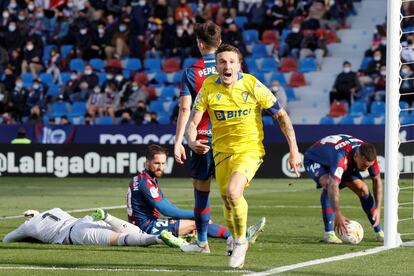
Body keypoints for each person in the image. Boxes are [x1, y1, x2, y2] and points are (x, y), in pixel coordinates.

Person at [186, 44, 302, 268]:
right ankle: (233, 236)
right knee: (228, 202)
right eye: (222, 62)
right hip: (220, 152)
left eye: (231, 62)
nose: (227, 66)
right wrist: (191, 141)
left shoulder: (252, 84)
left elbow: (282, 116)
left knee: (233, 191)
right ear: (217, 66)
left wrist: (294, 150)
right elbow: (193, 121)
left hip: (249, 150)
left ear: (239, 65)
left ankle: (241, 242)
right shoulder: (209, 87)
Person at [127, 144, 265, 256]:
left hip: (150, 222)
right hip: (145, 227)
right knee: (196, 223)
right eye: (157, 163)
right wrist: (196, 215)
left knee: (197, 222)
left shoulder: (145, 178)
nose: (161, 167)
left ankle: (236, 236)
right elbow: (166, 210)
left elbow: (166, 205)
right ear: (147, 162)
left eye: (163, 163)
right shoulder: (145, 182)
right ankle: (238, 236)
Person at [173, 21, 223, 253]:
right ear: (219, 43)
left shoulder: (192, 72)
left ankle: (202, 242)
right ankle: (237, 237)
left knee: (202, 192)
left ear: (200, 44)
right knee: (232, 192)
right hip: (228, 139)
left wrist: (179, 141)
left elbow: (185, 110)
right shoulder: (232, 67)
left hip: (201, 138)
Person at [303, 134, 384, 244]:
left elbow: (377, 180)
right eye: (364, 166)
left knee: (363, 189)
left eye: (368, 166)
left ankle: (379, 232)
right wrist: (337, 213)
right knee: (328, 184)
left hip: (343, 162)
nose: (366, 169)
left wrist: (378, 208)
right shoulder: (340, 156)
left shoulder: (368, 156)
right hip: (316, 160)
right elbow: (333, 185)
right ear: (356, 156)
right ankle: (329, 234)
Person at [2, 208, 186, 248]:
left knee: (120, 241)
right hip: (85, 220)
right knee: (134, 233)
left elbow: (7, 239)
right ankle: (107, 216)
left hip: (77, 233)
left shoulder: (28, 226)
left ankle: (158, 238)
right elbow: (41, 215)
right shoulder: (55, 210)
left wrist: (27, 231)